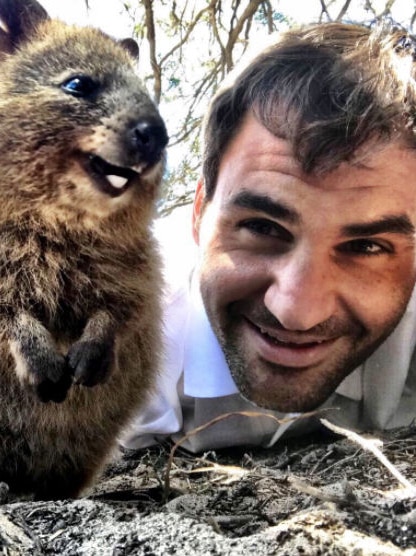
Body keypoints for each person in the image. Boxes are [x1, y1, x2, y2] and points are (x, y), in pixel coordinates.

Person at [123, 21, 416, 453]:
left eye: (366, 246)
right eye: (262, 227)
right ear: (199, 213)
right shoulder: (115, 333)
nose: (297, 312)